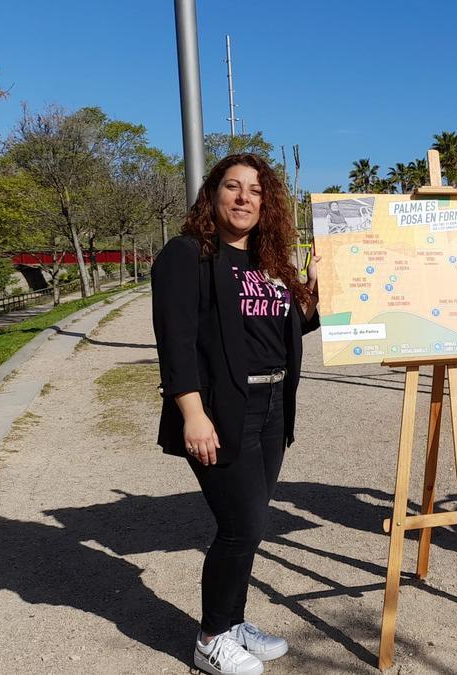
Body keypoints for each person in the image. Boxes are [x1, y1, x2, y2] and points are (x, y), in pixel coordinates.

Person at [152, 154, 320, 675]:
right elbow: (175, 343)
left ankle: (233, 621)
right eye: (233, 186)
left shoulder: (269, 263)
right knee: (240, 526)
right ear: (213, 194)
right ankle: (210, 639)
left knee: (251, 524)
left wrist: (309, 303)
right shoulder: (187, 255)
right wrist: (193, 415)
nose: (244, 197)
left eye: (255, 190)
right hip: (222, 411)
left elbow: (278, 333)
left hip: (273, 408)